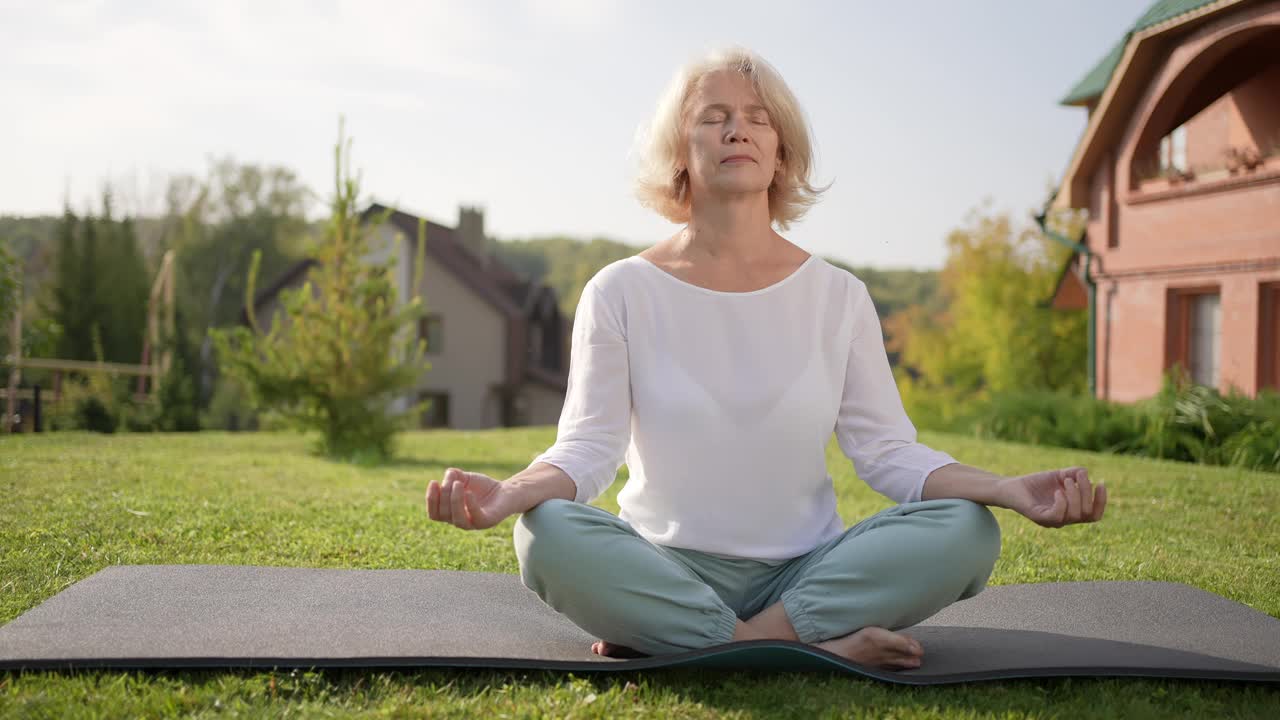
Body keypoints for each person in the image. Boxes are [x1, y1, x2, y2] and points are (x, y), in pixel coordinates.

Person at [425, 46, 1107, 671]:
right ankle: (804, 648)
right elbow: (588, 449)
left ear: (781, 154)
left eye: (757, 118)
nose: (737, 130)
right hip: (664, 567)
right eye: (714, 117)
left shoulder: (839, 295)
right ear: (680, 153)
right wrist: (510, 494)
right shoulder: (620, 290)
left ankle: (696, 640)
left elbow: (887, 452)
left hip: (808, 573)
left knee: (967, 532)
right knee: (545, 536)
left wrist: (1008, 490)